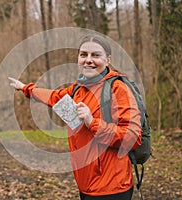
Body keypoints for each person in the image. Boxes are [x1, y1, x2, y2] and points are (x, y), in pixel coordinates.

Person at [8, 34, 142, 200]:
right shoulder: (78, 89)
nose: (88, 60)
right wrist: (25, 88)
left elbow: (133, 137)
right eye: (83, 54)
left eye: (95, 55)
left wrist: (92, 122)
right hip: (85, 185)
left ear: (108, 60)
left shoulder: (118, 89)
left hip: (111, 187)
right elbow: (55, 97)